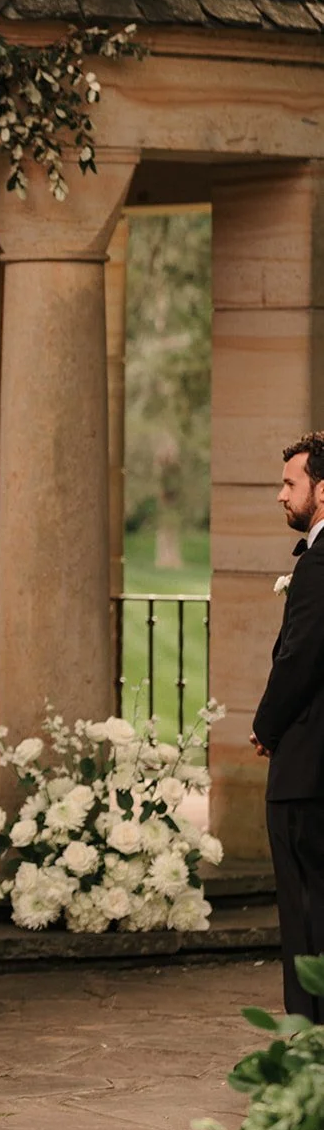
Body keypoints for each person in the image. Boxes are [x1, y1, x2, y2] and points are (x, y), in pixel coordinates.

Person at [252, 431, 324, 1022]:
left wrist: (266, 727)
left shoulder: (320, 564)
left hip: (309, 767)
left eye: (290, 483)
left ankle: (308, 1041)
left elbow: (300, 656)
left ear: (322, 491)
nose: (280, 495)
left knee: (305, 914)